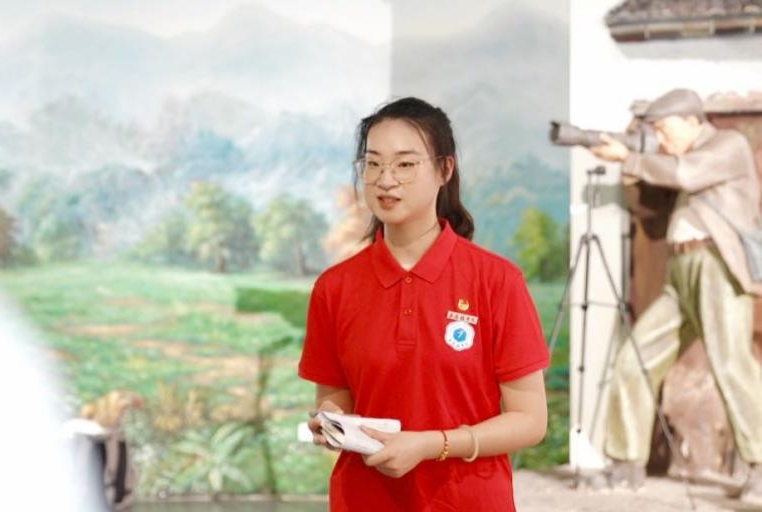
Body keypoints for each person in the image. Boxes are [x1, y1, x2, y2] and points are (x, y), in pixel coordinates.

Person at [298, 97, 550, 511]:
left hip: (468, 501)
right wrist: (332, 422)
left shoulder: (497, 281)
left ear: (444, 170)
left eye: (405, 164)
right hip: (364, 500)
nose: (385, 179)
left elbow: (530, 420)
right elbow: (335, 398)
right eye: (373, 164)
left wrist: (433, 445)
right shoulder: (334, 287)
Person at [591, 88, 762, 504]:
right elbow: (656, 198)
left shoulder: (727, 145)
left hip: (716, 264)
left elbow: (685, 174)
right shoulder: (679, 158)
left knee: (731, 363)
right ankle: (625, 461)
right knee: (635, 358)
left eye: (667, 130)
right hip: (681, 269)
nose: (663, 140)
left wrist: (629, 157)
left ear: (691, 120)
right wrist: (631, 164)